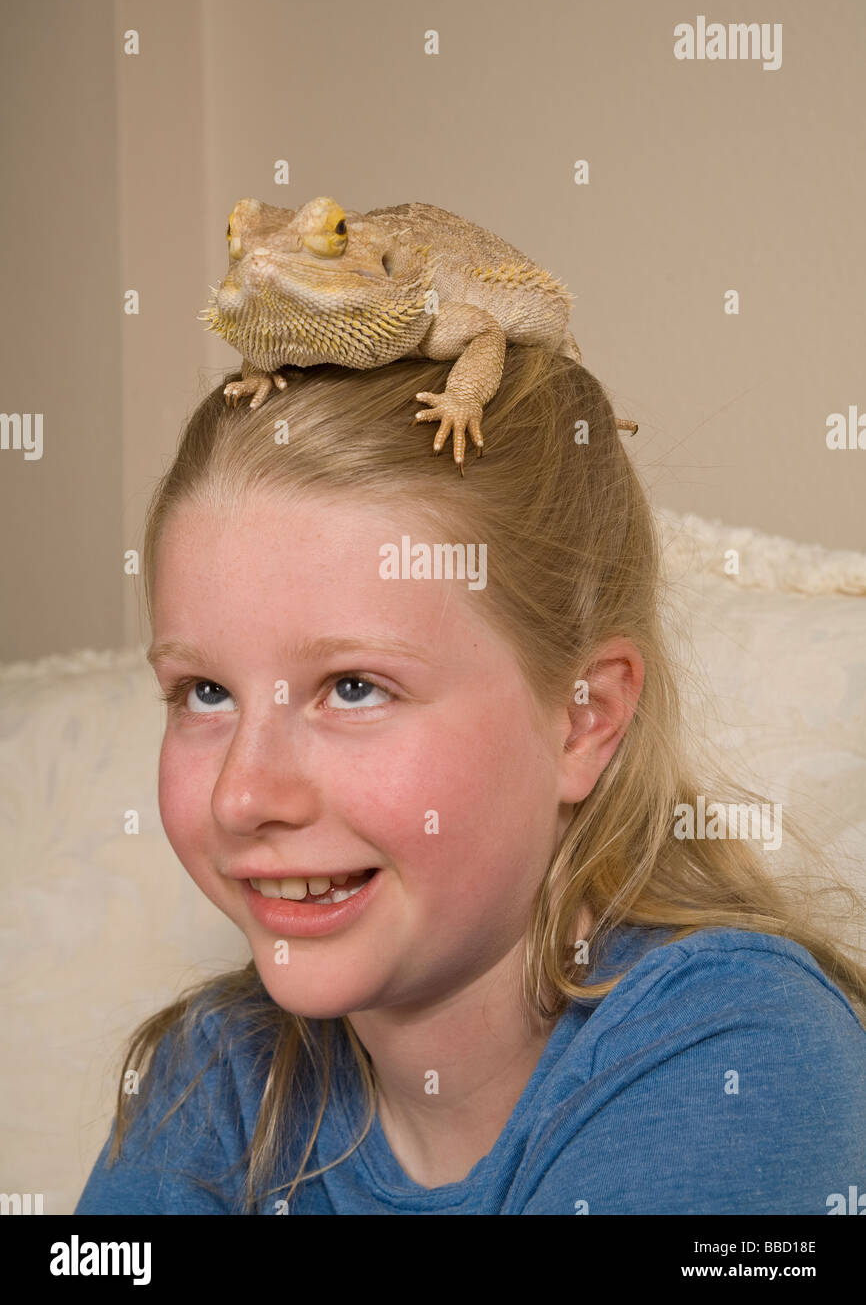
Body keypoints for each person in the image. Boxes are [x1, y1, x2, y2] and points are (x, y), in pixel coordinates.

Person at [75, 347, 866, 1215]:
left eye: (353, 688)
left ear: (582, 716)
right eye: (206, 692)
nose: (243, 796)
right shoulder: (214, 1081)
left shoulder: (739, 1050)